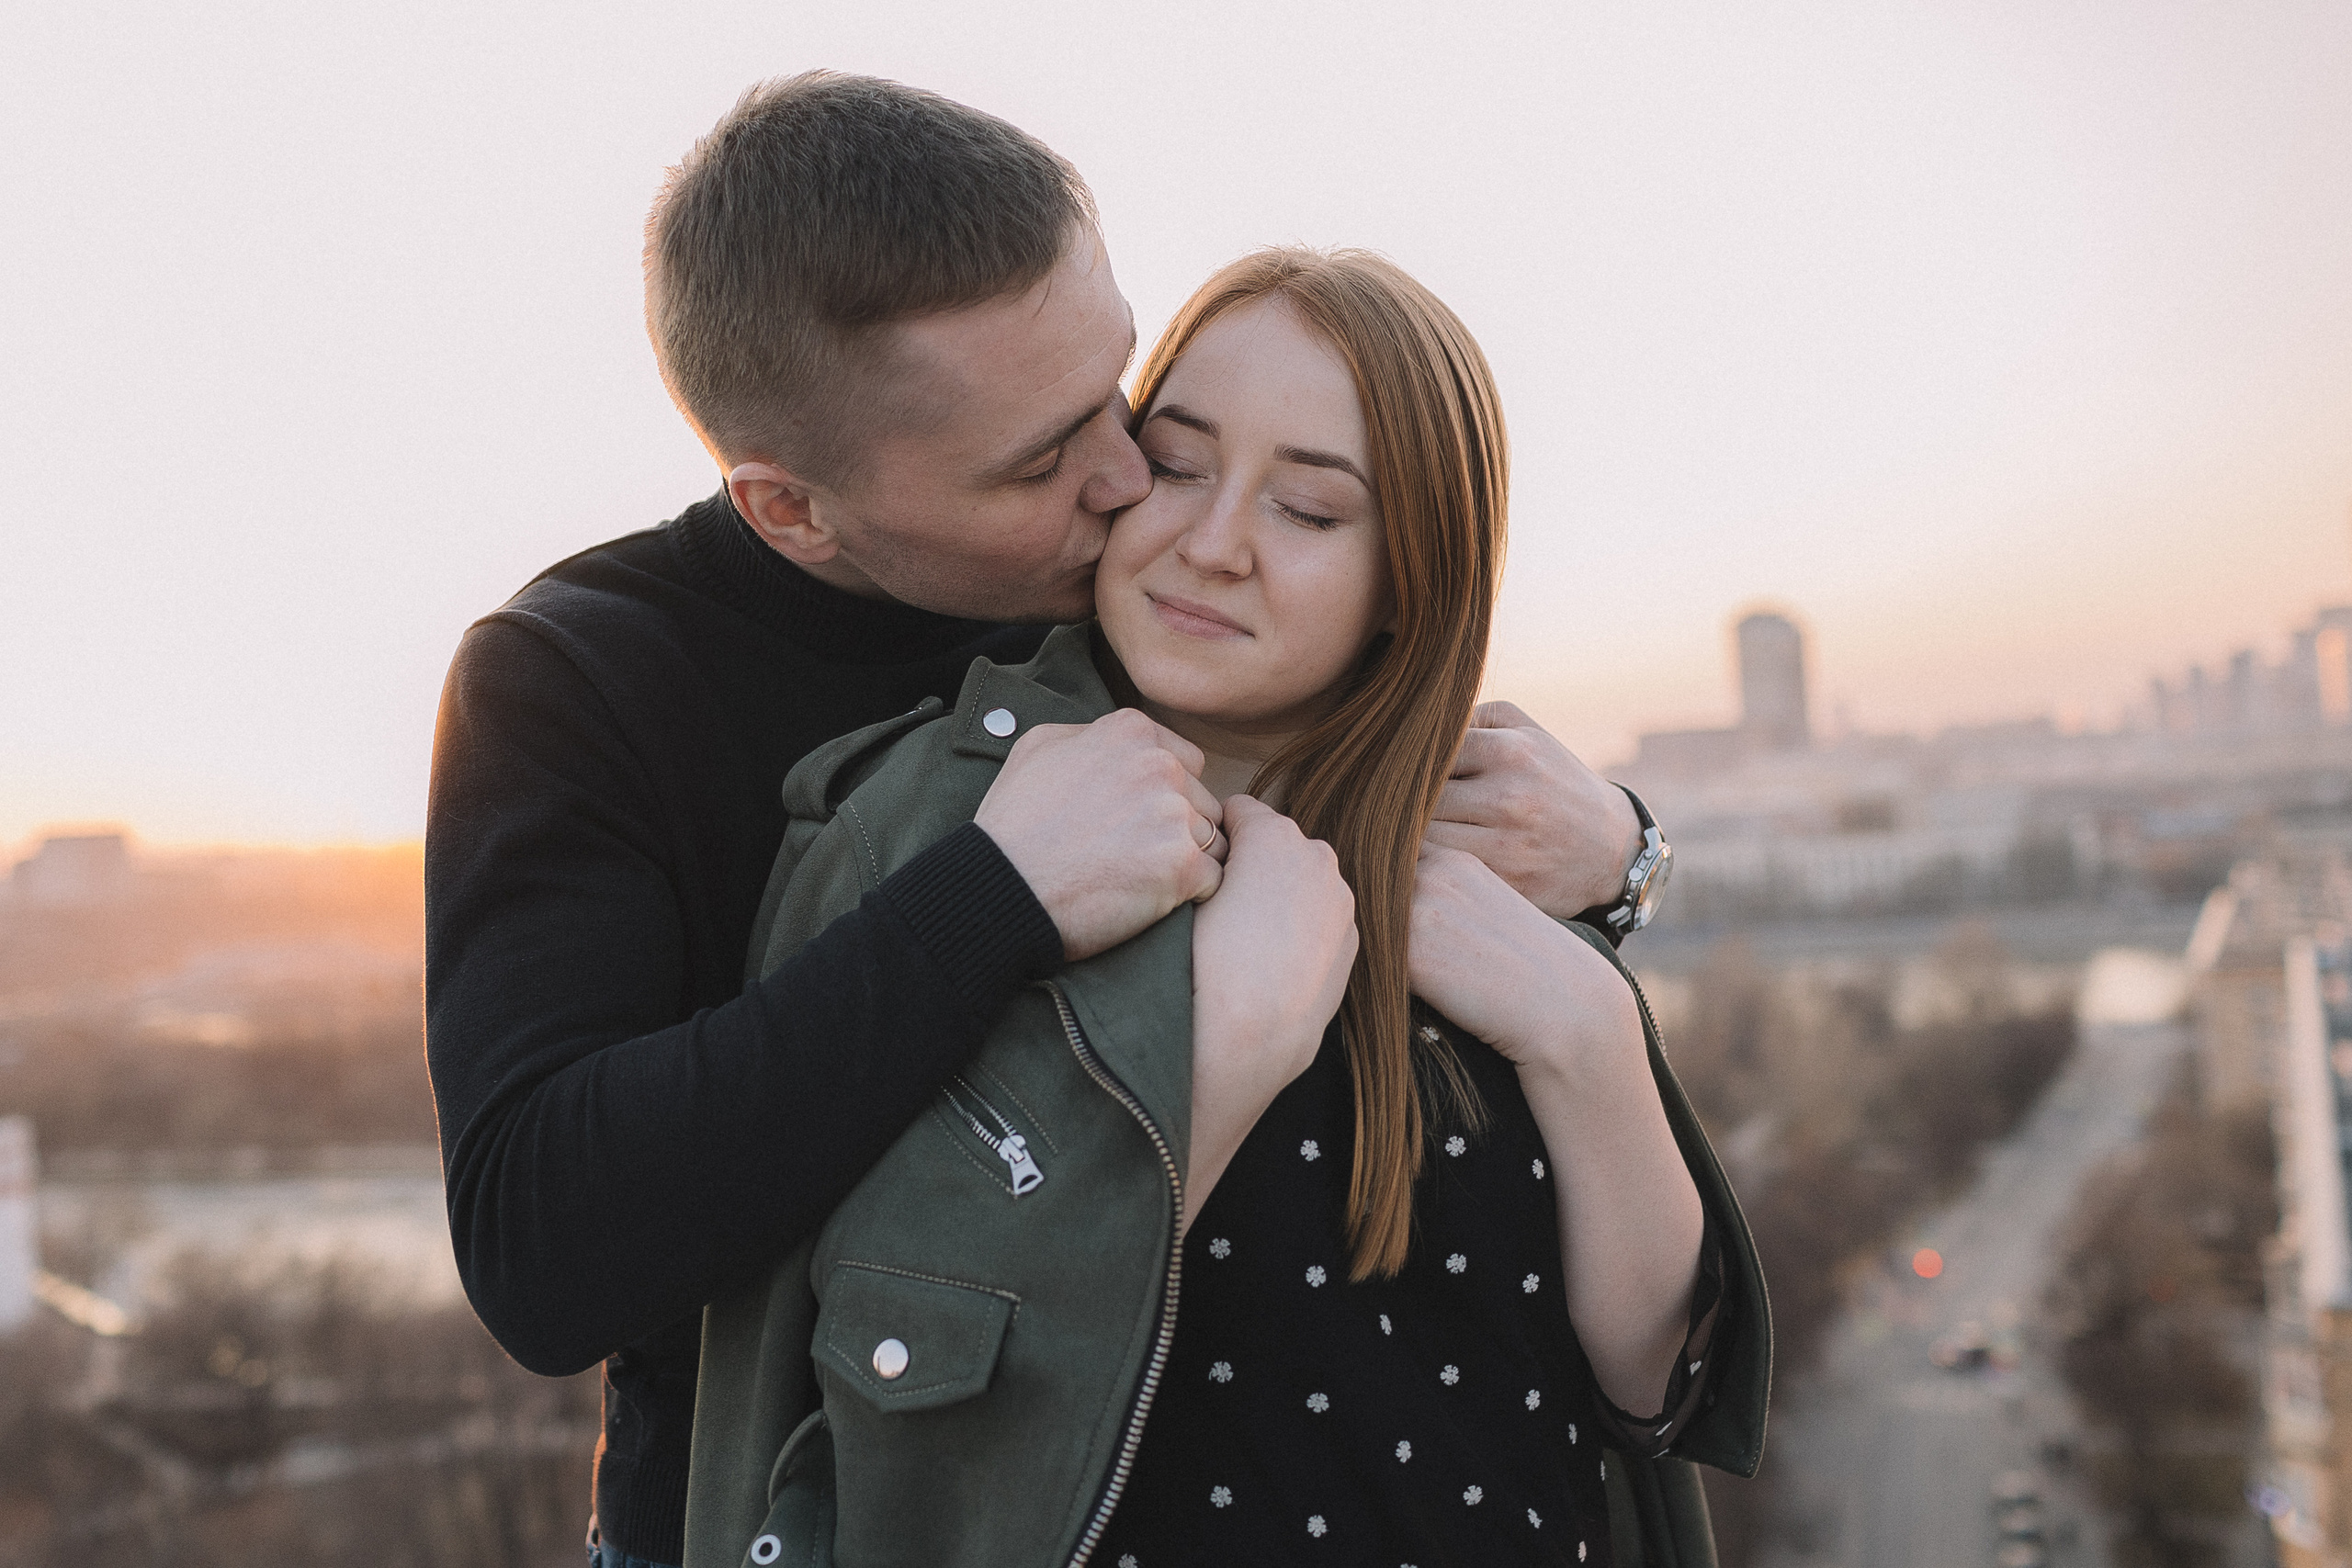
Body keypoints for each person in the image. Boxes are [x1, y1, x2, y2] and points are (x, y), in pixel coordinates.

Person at [424, 73, 1660, 1568]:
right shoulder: (584, 677)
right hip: (790, 1509)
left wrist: (1624, 862)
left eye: (1117, 393)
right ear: (792, 510)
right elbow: (545, 1254)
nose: (1134, 481)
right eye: (1043, 460)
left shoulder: (1134, 579)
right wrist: (992, 897)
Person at [684, 251, 1766, 1568]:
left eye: (1308, 509)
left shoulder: (1504, 848)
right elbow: (881, 1428)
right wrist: (1214, 1061)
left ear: (1413, 575)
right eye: (1178, 465)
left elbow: (1654, 1385)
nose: (1213, 544)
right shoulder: (933, 834)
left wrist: (1587, 1032)